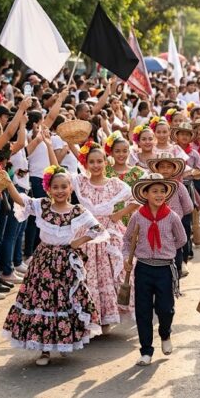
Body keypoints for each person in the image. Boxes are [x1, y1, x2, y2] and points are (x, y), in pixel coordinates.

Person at [2, 165, 106, 366]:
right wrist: (8, 183)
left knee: (65, 301)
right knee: (43, 302)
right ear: (48, 188)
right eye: (55, 187)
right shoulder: (42, 206)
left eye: (64, 187)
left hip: (66, 263)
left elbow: (98, 229)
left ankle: (65, 341)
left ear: (70, 189)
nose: (59, 191)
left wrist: (79, 241)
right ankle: (44, 350)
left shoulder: (78, 210)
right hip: (43, 262)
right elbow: (20, 200)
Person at [73, 141, 137, 330]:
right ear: (86, 164)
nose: (96, 165)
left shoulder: (114, 184)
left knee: (109, 273)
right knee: (88, 273)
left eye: (99, 161)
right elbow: (56, 174)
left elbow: (136, 199)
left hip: (109, 233)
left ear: (105, 162)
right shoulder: (82, 182)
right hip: (86, 233)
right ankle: (91, 316)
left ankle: (107, 316)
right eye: (91, 162)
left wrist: (118, 215)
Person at [123, 173, 186, 366]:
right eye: (154, 191)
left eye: (162, 191)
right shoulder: (137, 216)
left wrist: (166, 250)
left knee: (165, 309)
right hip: (143, 268)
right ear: (146, 194)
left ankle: (165, 334)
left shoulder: (172, 216)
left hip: (164, 269)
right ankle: (146, 350)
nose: (159, 195)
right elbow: (127, 240)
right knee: (143, 311)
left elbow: (182, 239)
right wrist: (127, 258)